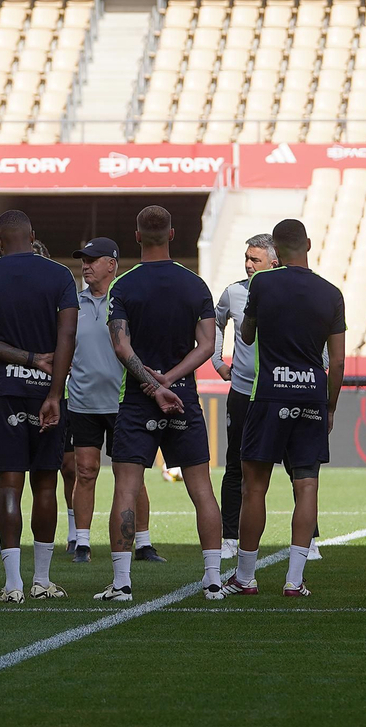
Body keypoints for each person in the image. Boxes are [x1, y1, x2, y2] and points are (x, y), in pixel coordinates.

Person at [100, 204, 225, 603]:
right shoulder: (196, 285)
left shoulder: (124, 285)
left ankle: (121, 584)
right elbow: (207, 344)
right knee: (202, 489)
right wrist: (171, 380)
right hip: (183, 396)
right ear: (173, 235)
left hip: (138, 398)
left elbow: (121, 345)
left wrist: (154, 385)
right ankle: (213, 580)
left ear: (136, 237)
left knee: (126, 488)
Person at [225, 219, 345, 597]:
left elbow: (246, 333)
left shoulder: (261, 284)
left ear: (275, 249)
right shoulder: (331, 292)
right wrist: (330, 406)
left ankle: (245, 577)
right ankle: (294, 580)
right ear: (308, 244)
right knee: (306, 484)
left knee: (254, 486)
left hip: (270, 392)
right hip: (311, 393)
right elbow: (337, 362)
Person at [0, 210, 78, 602]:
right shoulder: (60, 275)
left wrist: (26, 358)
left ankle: (13, 584)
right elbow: (68, 336)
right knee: (45, 485)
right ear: (32, 236)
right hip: (48, 393)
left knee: (8, 487)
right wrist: (53, 393)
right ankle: (42, 581)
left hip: (5, 394)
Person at [65, 238, 159, 565]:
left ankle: (144, 543)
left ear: (112, 264)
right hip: (82, 403)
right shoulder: (72, 305)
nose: (86, 265)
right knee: (86, 471)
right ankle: (82, 543)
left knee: (132, 475)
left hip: (123, 403)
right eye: (83, 259)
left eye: (93, 259)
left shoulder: (127, 300)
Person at [213, 234, 277, 561]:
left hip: (280, 391)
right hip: (241, 391)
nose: (249, 264)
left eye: (256, 259)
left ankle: (309, 540)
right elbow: (216, 321)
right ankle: (229, 537)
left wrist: (320, 362)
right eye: (247, 258)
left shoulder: (286, 292)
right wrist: (217, 362)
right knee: (235, 465)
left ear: (274, 262)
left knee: (298, 467)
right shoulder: (234, 292)